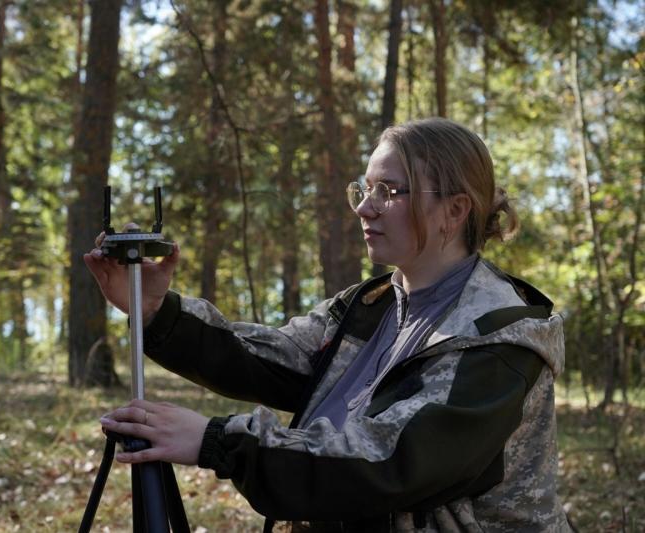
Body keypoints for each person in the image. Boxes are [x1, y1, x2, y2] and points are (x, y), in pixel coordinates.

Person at [84, 117, 571, 532]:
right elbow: (269, 360)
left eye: (389, 191)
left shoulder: (501, 337)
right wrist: (155, 309)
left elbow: (391, 463)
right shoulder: (372, 306)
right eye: (363, 189)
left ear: (455, 209)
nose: (364, 207)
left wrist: (218, 440)